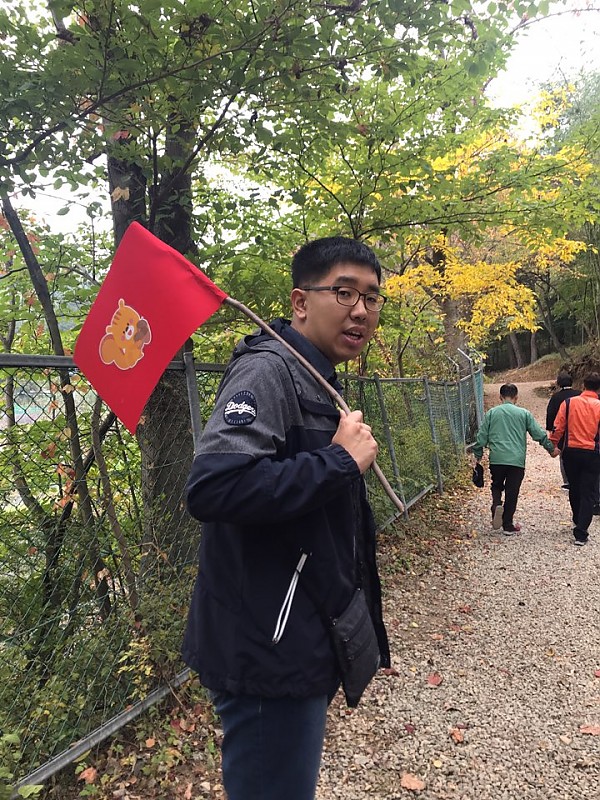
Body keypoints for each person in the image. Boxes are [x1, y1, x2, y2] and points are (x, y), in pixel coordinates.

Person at [181, 236, 391, 800]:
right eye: (344, 292)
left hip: (297, 633)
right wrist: (338, 461)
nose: (361, 310)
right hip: (266, 644)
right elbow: (214, 488)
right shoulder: (268, 373)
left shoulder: (314, 374)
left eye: (372, 297)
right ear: (301, 302)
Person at [473, 383, 559, 535]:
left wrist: (478, 454)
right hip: (517, 460)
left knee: (496, 485)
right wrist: (551, 449)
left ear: (500, 397)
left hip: (497, 458)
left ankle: (496, 504)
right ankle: (508, 525)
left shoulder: (492, 413)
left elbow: (482, 436)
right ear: (516, 397)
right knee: (512, 491)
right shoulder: (524, 414)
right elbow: (538, 433)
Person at [550, 372, 600, 547]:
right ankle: (581, 531)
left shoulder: (569, 403)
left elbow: (558, 427)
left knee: (574, 487)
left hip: (571, 451)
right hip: (592, 453)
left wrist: (553, 445)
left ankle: (577, 518)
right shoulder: (599, 406)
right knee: (588, 492)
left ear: (583, 385)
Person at [545, 371, 580, 489]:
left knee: (563, 454)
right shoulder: (579, 394)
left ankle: (567, 481)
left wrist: (550, 430)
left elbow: (550, 414)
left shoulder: (556, 397)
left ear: (559, 383)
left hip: (563, 430)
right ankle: (580, 476)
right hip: (578, 427)